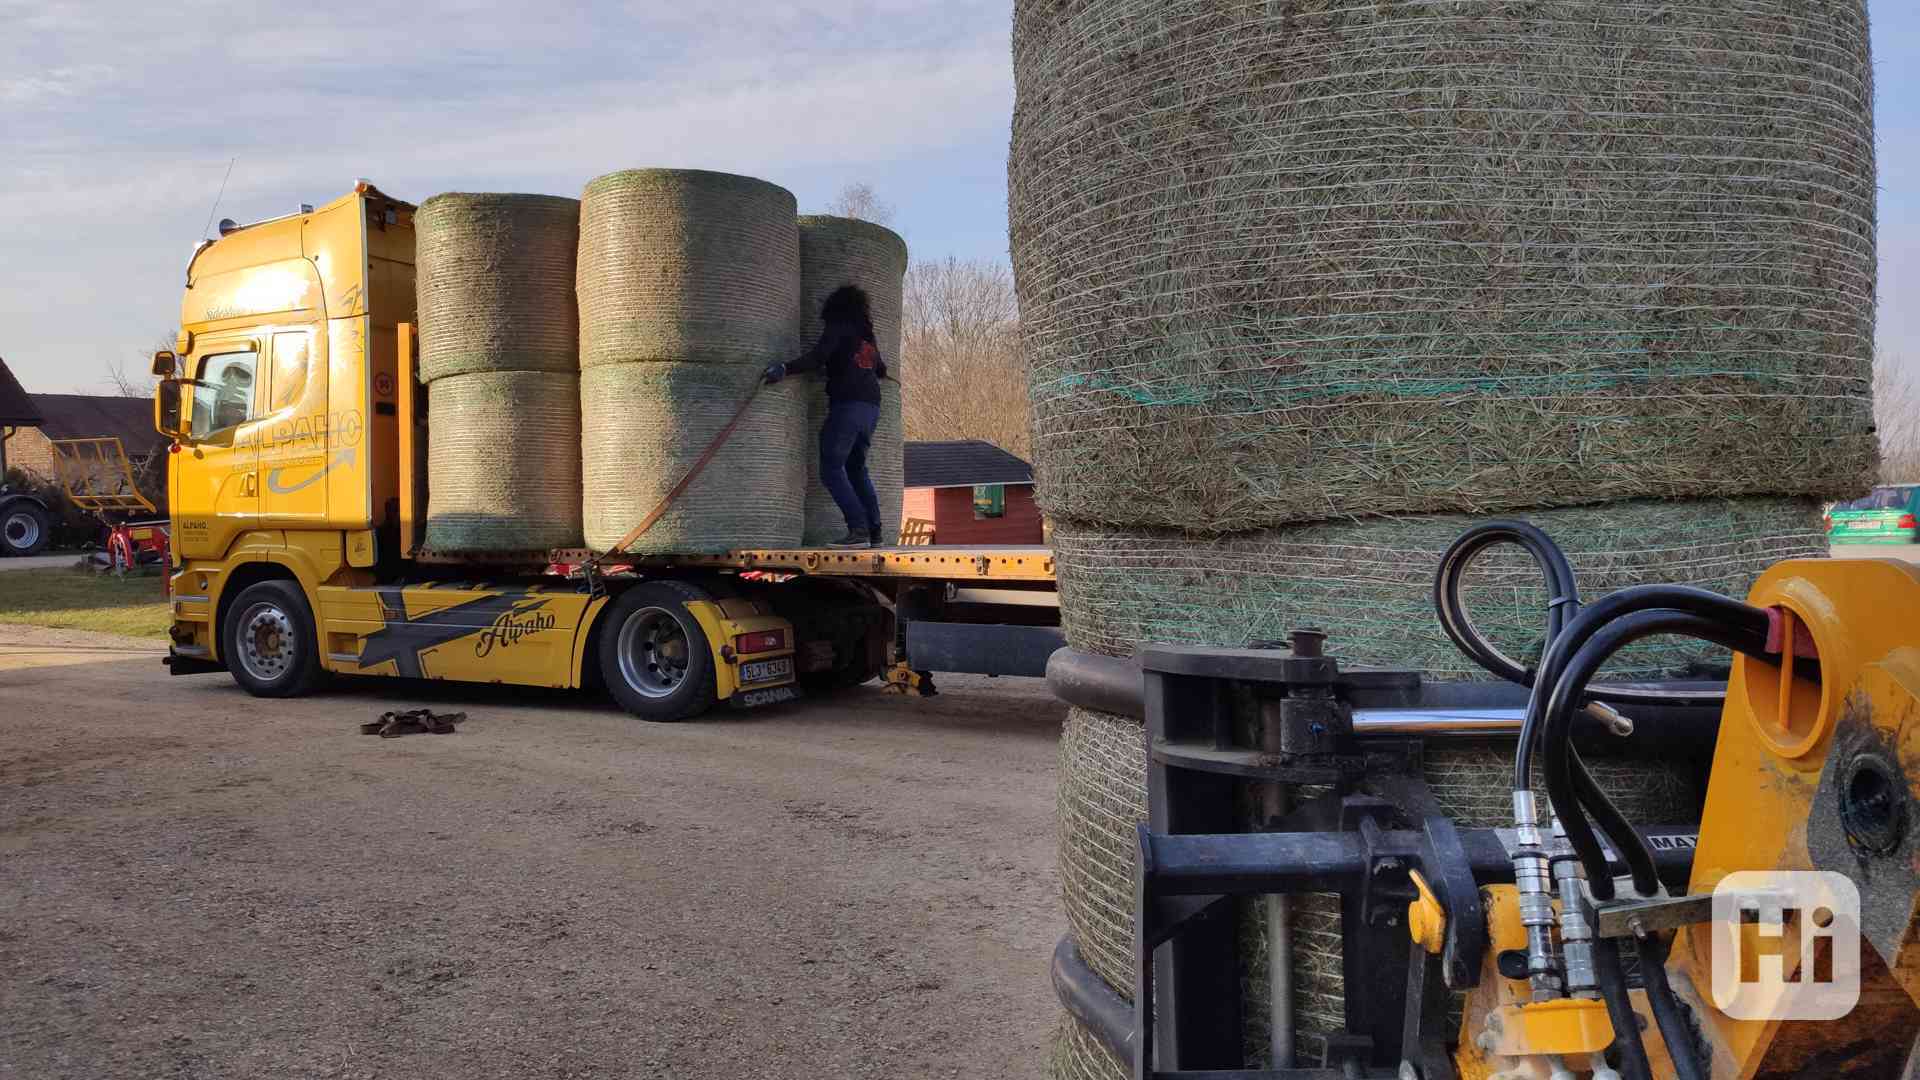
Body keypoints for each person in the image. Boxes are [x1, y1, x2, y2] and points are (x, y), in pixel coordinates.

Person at [765, 285, 889, 549]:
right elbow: (880, 369)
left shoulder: (838, 327)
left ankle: (858, 529)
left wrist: (785, 368)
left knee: (831, 470)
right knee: (856, 468)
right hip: (871, 408)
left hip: (848, 406)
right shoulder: (867, 336)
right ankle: (875, 532)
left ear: (834, 307)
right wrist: (837, 369)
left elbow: (817, 357)